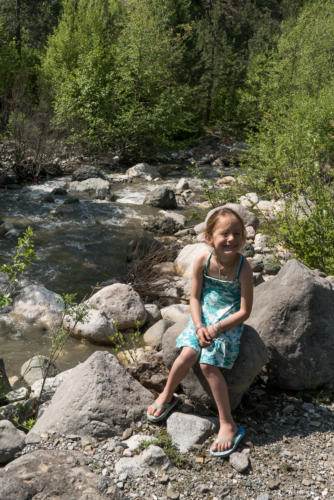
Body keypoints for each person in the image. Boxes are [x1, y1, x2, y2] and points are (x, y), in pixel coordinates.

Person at [147, 207, 253, 457]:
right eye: (224, 234)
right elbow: (194, 297)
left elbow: (245, 311)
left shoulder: (243, 268)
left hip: (227, 322)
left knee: (207, 364)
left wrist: (217, 328)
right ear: (209, 238)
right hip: (203, 318)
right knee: (186, 354)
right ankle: (167, 395)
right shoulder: (202, 261)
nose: (231, 239)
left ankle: (227, 422)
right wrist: (199, 326)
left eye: (237, 233)